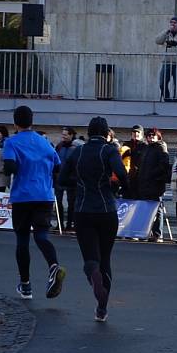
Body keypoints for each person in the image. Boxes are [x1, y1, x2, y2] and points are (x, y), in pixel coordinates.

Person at [58, 116, 128, 322]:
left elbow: (62, 179)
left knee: (90, 258)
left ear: (88, 133)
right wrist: (116, 186)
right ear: (107, 133)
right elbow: (122, 174)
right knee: (105, 258)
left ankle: (93, 274)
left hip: (83, 209)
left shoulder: (77, 151)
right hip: (106, 209)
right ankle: (102, 308)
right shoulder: (109, 150)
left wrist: (79, 182)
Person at [2, 105, 66, 300]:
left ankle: (26, 285)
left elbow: (10, 167)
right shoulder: (44, 142)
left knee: (22, 240)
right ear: (32, 121)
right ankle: (53, 265)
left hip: (23, 196)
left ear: (15, 122)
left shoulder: (11, 142)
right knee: (41, 235)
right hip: (44, 195)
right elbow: (58, 167)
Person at [136, 128, 171, 242]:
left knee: (157, 209)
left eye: (153, 136)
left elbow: (164, 165)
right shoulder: (146, 149)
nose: (151, 138)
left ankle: (157, 234)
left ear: (158, 137)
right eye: (149, 136)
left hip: (155, 183)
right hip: (144, 183)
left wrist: (153, 175)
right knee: (146, 209)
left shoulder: (160, 147)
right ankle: (145, 232)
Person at [54, 126, 78, 232]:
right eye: (62, 134)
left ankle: (69, 224)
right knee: (58, 202)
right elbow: (55, 161)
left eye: (65, 134)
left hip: (71, 180)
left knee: (71, 203)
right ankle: (60, 224)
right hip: (59, 179)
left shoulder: (75, 148)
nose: (63, 136)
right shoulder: (59, 146)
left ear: (71, 135)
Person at [122, 125, 146, 199]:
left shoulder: (145, 146)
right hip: (128, 178)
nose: (135, 134)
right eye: (134, 132)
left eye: (138, 132)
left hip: (140, 179)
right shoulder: (126, 145)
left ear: (142, 134)